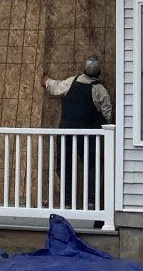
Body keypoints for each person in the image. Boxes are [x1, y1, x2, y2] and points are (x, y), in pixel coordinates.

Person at [43, 57, 112, 209]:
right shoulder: (100, 90)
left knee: (65, 166)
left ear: (84, 69)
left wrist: (45, 80)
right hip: (89, 137)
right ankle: (91, 202)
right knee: (91, 167)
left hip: (66, 134)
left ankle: (67, 202)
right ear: (98, 72)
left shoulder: (71, 82)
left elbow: (55, 87)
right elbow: (107, 116)